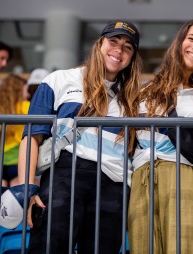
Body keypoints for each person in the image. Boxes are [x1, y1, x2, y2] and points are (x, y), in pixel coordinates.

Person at [15, 20, 142, 254]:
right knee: (49, 246)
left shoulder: (135, 97)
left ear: (132, 56)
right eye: (113, 41)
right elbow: (32, 137)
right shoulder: (59, 80)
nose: (119, 50)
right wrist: (27, 189)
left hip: (114, 182)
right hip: (65, 172)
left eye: (128, 47)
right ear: (99, 44)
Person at [128, 19, 193, 254]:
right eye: (191, 39)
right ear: (179, 42)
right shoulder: (144, 91)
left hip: (188, 175)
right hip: (143, 177)